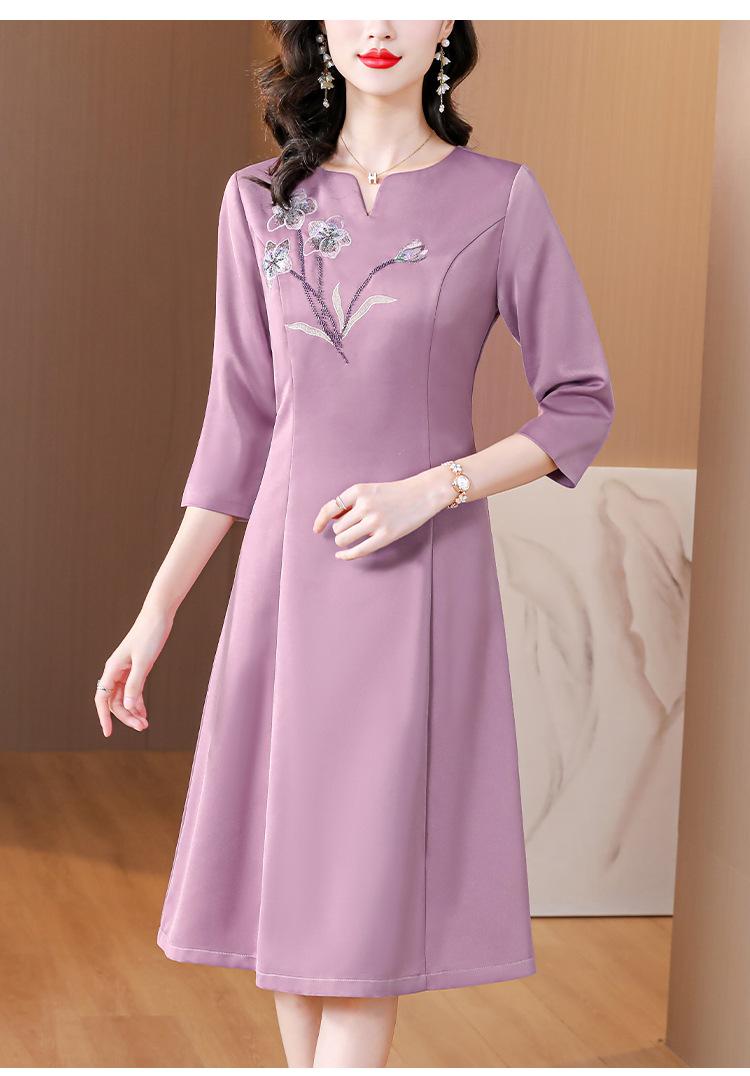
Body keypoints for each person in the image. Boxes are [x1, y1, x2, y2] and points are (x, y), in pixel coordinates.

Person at [93, 19, 615, 1068]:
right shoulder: (258, 199)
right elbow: (239, 427)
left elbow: (580, 403)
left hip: (415, 584)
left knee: (365, 921)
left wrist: (435, 488)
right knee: (295, 914)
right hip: (286, 584)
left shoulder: (501, 198)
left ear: (449, 25)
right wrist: (155, 615)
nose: (379, 23)